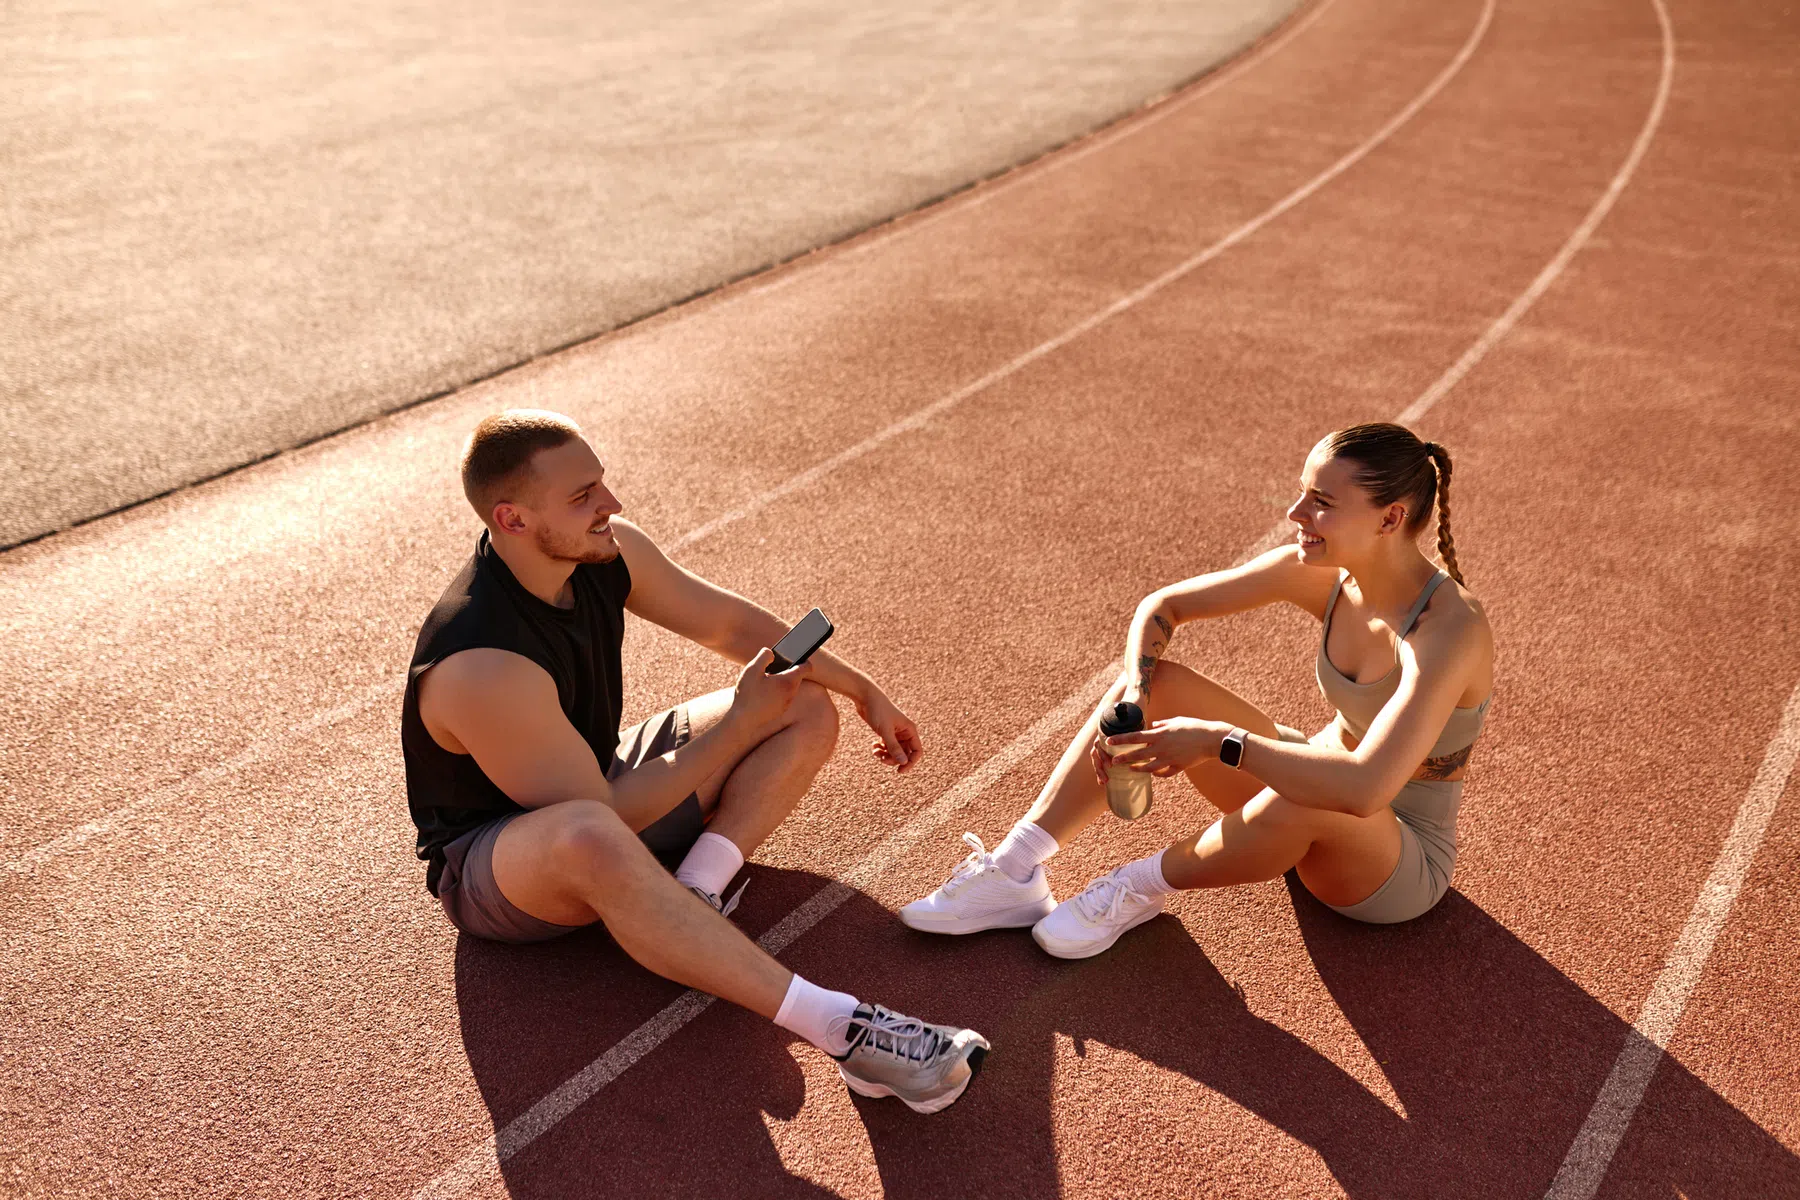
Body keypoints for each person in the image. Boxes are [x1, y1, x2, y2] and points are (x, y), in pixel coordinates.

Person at [402, 409, 987, 1112]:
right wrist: (739, 724)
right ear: (514, 518)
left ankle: (695, 891)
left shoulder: (602, 551)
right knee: (591, 834)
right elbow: (603, 813)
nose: (611, 504)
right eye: (583, 494)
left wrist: (863, 687)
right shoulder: (481, 662)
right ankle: (842, 1027)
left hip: (595, 781)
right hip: (503, 862)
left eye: (603, 483)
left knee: (802, 699)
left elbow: (734, 627)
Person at [901, 423, 1494, 956]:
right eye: (1302, 493)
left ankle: (1137, 885)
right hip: (1312, 777)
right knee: (1164, 683)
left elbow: (1365, 788)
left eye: (1321, 503)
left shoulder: (1449, 631)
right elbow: (1166, 605)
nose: (1295, 513)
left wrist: (1217, 742)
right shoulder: (1327, 575)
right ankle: (1015, 869)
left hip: (1394, 860)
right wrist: (1135, 694)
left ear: (1389, 519)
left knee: (1305, 795)